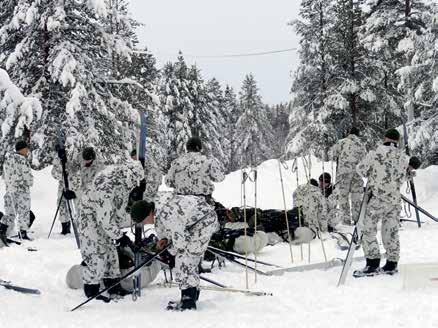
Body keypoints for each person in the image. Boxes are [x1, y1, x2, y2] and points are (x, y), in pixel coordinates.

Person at [150, 136, 225, 311]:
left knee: (184, 251)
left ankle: (190, 289)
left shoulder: (177, 162)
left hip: (180, 208)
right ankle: (191, 288)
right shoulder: (207, 160)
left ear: (187, 147)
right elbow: (220, 177)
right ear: (200, 148)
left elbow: (167, 181)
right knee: (189, 251)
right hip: (200, 208)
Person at [354, 128, 421, 276]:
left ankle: (372, 264)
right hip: (394, 201)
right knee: (390, 232)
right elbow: (404, 177)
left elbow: (360, 170)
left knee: (368, 230)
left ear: (385, 138)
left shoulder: (375, 153)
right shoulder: (403, 158)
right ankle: (391, 264)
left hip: (377, 199)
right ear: (397, 141)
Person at [79, 159, 144, 301]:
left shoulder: (121, 182)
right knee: (97, 255)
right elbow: (105, 220)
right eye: (135, 181)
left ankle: (113, 285)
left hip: (103, 220)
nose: (134, 185)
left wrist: (122, 229)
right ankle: (91, 289)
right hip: (91, 222)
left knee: (111, 252)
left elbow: (118, 211)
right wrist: (120, 236)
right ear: (129, 176)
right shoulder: (106, 186)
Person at [329, 127, 367, 225]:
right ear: (358, 135)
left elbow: (332, 154)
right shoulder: (361, 145)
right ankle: (357, 219)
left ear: (349, 133)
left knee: (343, 196)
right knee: (356, 197)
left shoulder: (341, 142)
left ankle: (345, 220)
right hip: (357, 174)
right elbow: (365, 160)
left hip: (343, 174)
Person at [0, 140, 33, 243]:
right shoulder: (22, 160)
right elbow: (27, 177)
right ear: (22, 149)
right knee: (24, 212)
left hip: (9, 191)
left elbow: (5, 176)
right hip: (21, 192)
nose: (27, 151)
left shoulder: (8, 159)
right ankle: (22, 233)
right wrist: (30, 182)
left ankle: (3, 230)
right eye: (26, 149)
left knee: (10, 213)